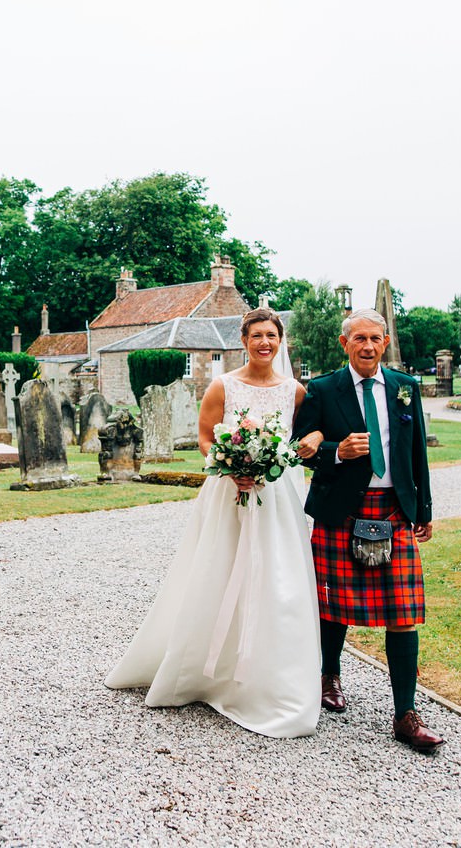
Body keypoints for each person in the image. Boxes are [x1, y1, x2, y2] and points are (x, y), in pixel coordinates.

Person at [105, 307, 322, 738]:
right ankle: (201, 671)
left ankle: (269, 675)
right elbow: (207, 438)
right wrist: (230, 465)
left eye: (271, 336)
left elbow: (305, 437)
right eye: (257, 335)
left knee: (278, 580)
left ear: (281, 342)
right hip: (227, 495)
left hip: (276, 499)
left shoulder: (295, 392)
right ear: (243, 340)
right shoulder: (223, 385)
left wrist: (297, 449)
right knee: (215, 572)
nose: (265, 342)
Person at [292, 308, 444, 752]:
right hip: (342, 510)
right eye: (359, 338)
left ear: (385, 342)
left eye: (375, 338)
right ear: (346, 344)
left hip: (394, 508)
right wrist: (339, 451)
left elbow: (416, 451)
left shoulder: (404, 388)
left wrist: (424, 507)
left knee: (403, 612)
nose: (368, 346)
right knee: (332, 605)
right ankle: (329, 675)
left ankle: (405, 714)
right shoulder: (321, 390)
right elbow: (299, 450)